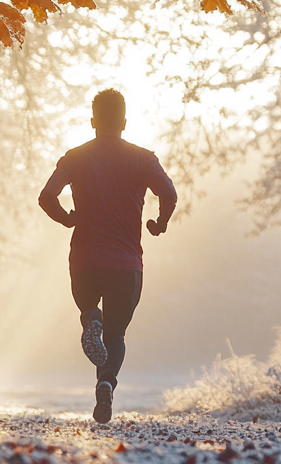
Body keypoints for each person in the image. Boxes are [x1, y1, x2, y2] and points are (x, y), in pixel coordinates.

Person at [38, 89, 177, 423]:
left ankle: (91, 318)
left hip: (84, 261)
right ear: (124, 123)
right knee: (115, 335)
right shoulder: (143, 159)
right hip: (125, 265)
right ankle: (105, 383)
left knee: (90, 312)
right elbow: (169, 193)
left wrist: (67, 218)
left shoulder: (74, 157)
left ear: (93, 121)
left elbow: (46, 196)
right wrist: (160, 223)